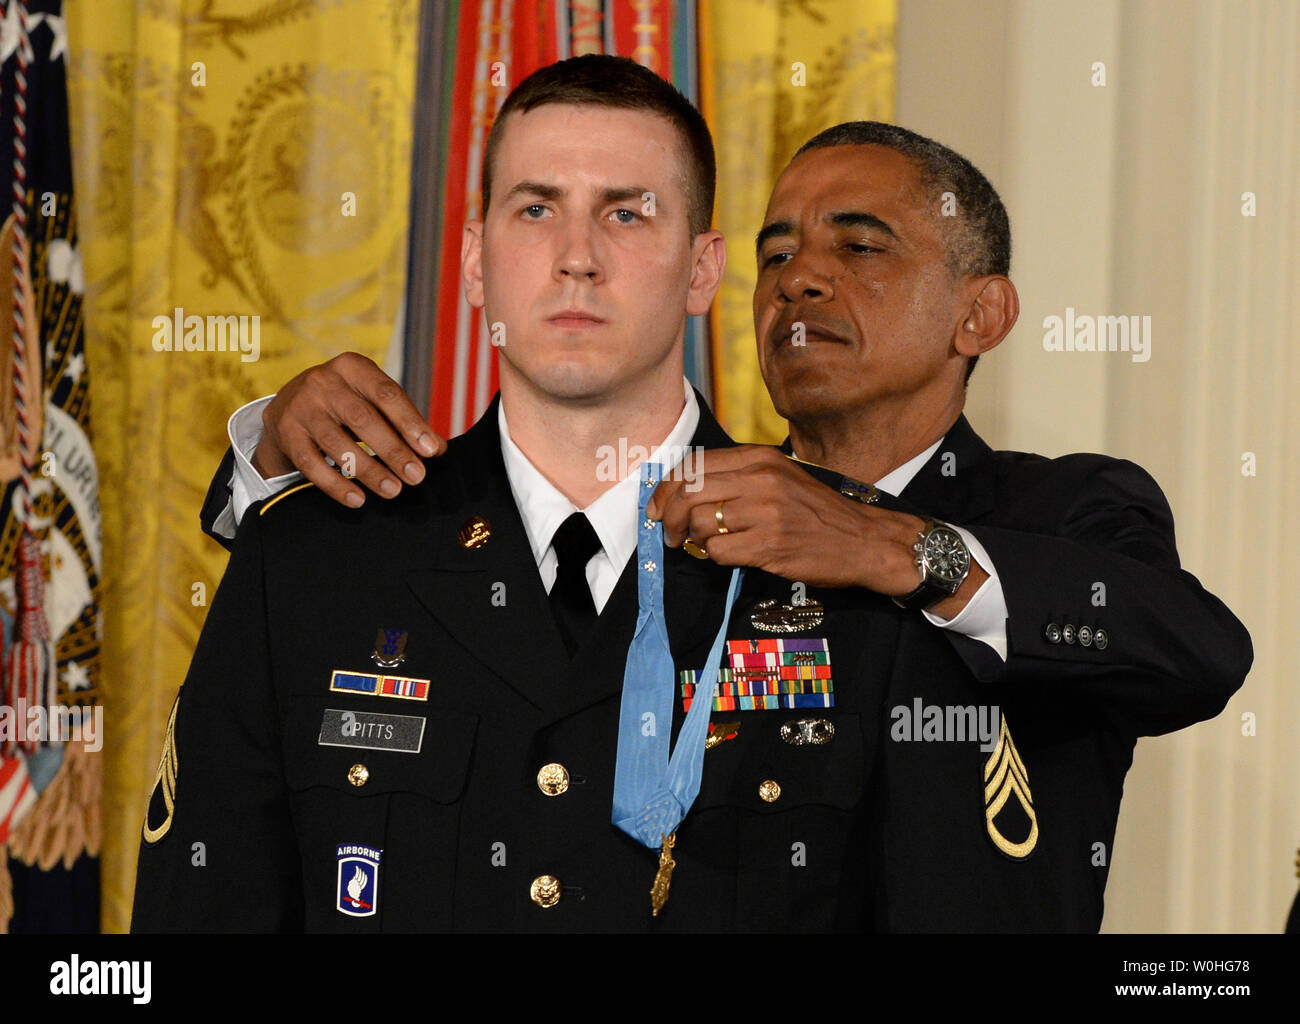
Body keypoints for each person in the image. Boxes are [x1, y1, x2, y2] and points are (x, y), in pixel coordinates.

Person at [210, 114, 1252, 931]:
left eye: (861, 245)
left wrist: (891, 546)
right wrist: (269, 452)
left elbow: (1196, 648)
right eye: (776, 251)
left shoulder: (1056, 509)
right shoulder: (695, 516)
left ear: (979, 313)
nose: (798, 276)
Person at [132, 56, 961, 933]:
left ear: (701, 270)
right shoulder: (311, 558)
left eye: (626, 213)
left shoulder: (853, 558)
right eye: (535, 210)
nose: (577, 259)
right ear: (476, 262)